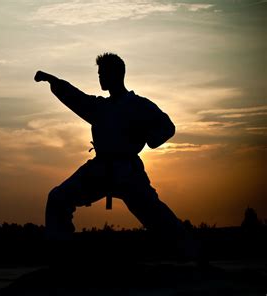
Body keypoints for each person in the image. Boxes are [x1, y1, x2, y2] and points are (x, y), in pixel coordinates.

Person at [34, 53, 186, 245]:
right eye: (99, 73)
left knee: (156, 216)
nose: (99, 77)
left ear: (115, 74)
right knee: (58, 198)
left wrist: (152, 140)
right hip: (101, 169)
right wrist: (52, 81)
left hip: (127, 172)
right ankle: (62, 255)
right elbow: (76, 98)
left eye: (103, 73)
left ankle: (192, 251)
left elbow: (167, 127)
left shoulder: (138, 105)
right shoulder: (100, 107)